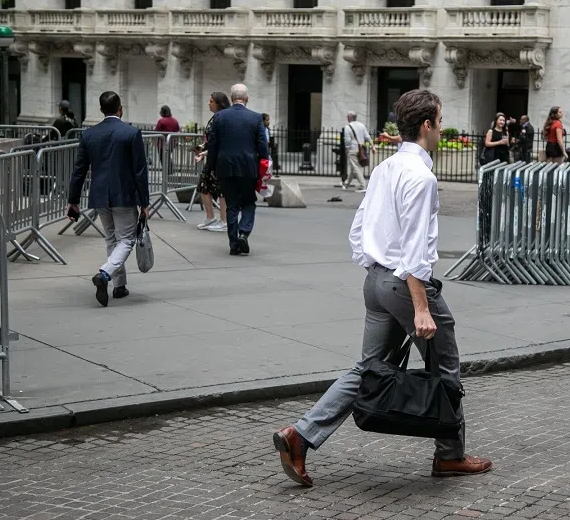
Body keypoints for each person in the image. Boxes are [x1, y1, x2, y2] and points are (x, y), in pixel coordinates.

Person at [272, 89, 492, 487]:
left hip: (375, 280)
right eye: (440, 122)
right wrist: (421, 307)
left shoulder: (386, 167)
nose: (441, 129)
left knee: (370, 369)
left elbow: (359, 228)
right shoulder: (421, 176)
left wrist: (374, 268)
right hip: (404, 283)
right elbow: (415, 250)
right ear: (426, 125)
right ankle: (450, 456)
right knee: (445, 363)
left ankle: (300, 436)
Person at [68, 92, 151, 307]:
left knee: (111, 239)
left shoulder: (89, 134)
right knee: (126, 240)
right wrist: (145, 202)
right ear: (120, 108)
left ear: (100, 109)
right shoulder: (131, 133)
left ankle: (119, 286)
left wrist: (73, 200)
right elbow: (140, 171)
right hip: (124, 194)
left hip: (99, 194)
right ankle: (105, 274)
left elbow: (79, 170)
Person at [205, 84, 269, 256]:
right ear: (246, 98)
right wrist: (265, 163)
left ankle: (234, 243)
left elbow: (213, 144)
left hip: (225, 166)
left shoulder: (219, 117)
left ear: (232, 98)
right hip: (248, 167)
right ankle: (243, 233)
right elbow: (263, 146)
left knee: (232, 204)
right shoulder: (255, 118)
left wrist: (211, 166)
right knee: (248, 202)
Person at [194, 92, 230, 232]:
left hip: (219, 159)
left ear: (219, 103)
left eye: (211, 101)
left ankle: (224, 220)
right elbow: (212, 140)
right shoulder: (215, 117)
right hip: (212, 158)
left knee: (221, 190)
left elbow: (220, 141)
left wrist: (206, 151)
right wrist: (203, 149)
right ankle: (210, 217)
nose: (209, 103)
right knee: (203, 186)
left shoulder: (222, 118)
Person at [340, 111, 375, 192]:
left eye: (347, 116)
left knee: (356, 167)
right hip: (361, 149)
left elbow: (347, 141)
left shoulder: (348, 127)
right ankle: (346, 184)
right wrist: (373, 146)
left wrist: (347, 149)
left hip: (352, 149)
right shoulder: (361, 125)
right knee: (354, 167)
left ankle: (363, 186)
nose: (347, 118)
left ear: (350, 117)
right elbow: (367, 136)